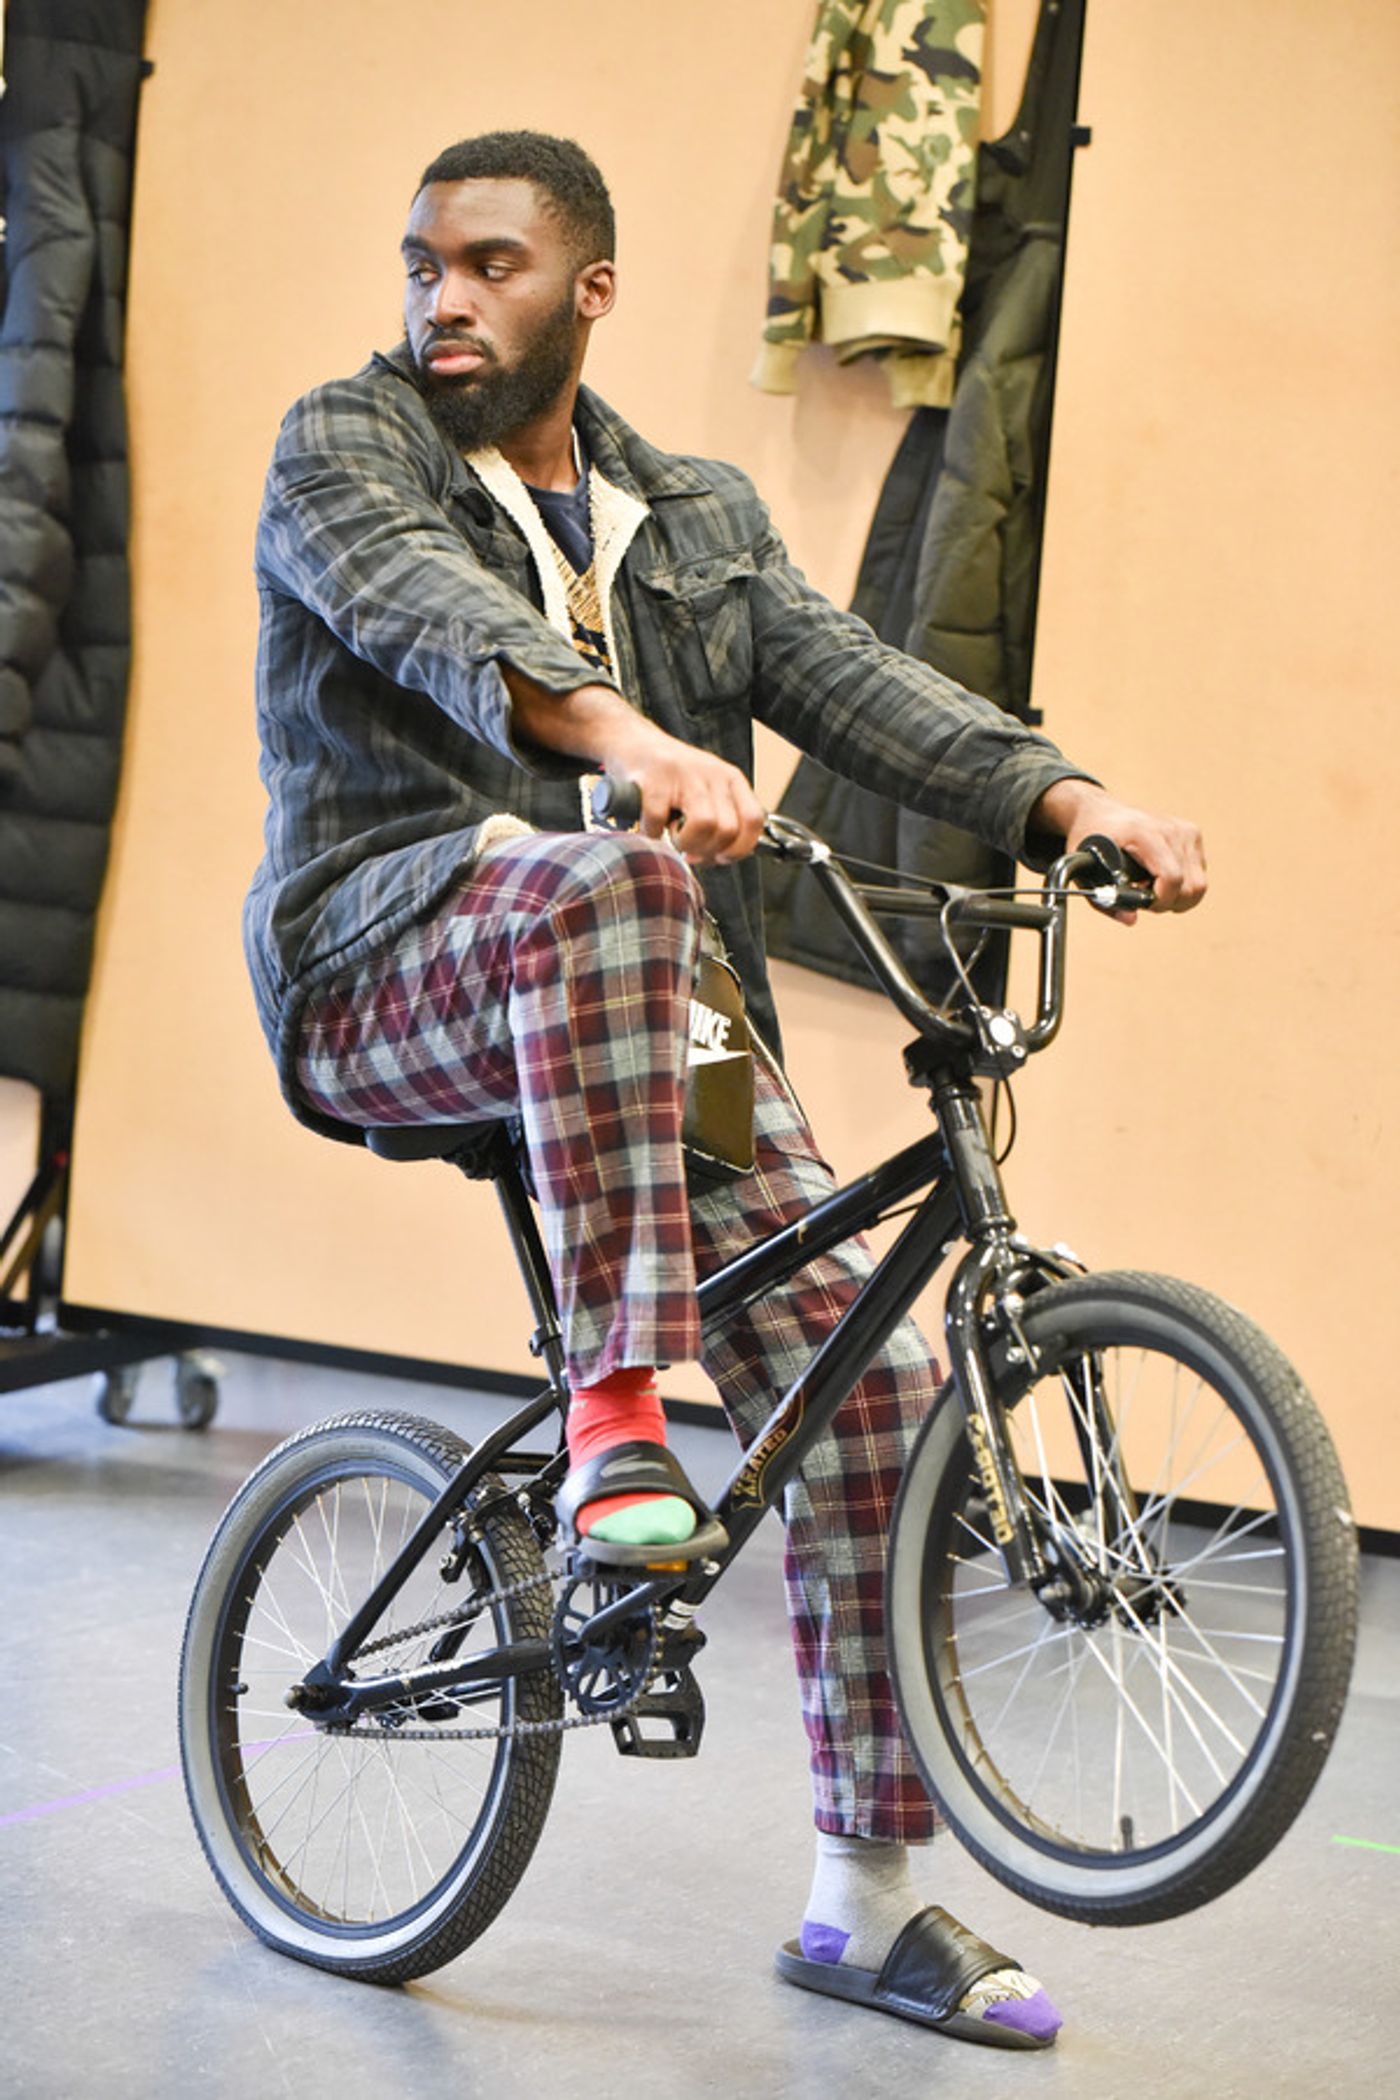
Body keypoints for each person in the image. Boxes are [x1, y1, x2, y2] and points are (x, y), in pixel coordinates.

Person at [245, 131, 1206, 2050]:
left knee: (880, 1400)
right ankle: (614, 1414)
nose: (443, 298)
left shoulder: (690, 516)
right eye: (423, 262)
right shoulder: (342, 447)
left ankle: (868, 1905)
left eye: (492, 267)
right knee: (616, 871)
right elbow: (445, 623)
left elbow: (859, 684)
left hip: (645, 994)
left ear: (586, 293)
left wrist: (1071, 796)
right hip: (387, 956)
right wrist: (630, 742)